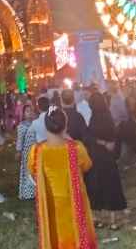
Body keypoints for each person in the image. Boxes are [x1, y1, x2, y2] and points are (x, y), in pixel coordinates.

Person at [28, 107, 97, 249]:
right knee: (76, 237)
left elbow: (33, 171)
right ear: (66, 125)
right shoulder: (76, 148)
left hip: (50, 205)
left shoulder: (37, 151)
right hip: (73, 205)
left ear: (46, 126)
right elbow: (87, 166)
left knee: (54, 238)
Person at [85, 92, 127, 230]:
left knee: (97, 187)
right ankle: (113, 220)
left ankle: (99, 218)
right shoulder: (108, 116)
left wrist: (100, 142)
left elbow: (90, 137)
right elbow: (114, 136)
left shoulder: (94, 119)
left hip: (96, 157)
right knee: (111, 186)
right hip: (107, 157)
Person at [16, 104, 38, 200]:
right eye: (27, 111)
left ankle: (37, 190)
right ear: (24, 114)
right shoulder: (22, 126)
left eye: (32, 111)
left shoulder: (37, 124)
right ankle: (28, 193)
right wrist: (18, 151)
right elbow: (20, 140)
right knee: (28, 171)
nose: (30, 113)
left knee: (35, 170)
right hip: (27, 152)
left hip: (36, 151)